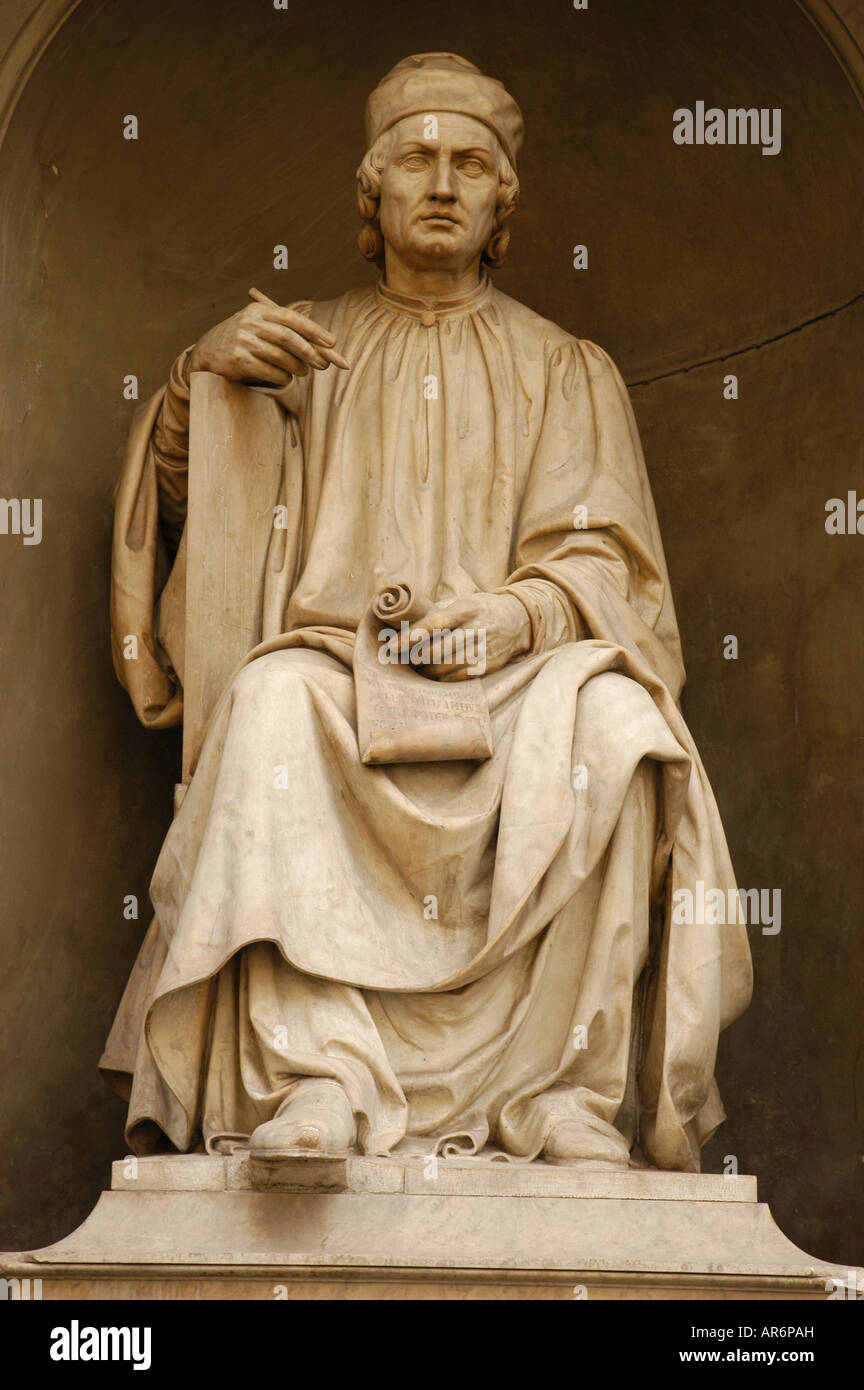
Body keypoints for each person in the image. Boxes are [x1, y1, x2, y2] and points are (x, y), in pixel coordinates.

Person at [101, 52, 752, 1171]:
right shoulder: (299, 350)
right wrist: (196, 387)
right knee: (266, 699)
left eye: (471, 164)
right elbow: (189, 520)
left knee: (617, 725)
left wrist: (516, 620)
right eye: (415, 159)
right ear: (375, 194)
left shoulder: (566, 368)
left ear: (505, 202)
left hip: (514, 677)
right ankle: (316, 1076)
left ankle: (561, 1093)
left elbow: (615, 569)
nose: (442, 181)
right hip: (339, 671)